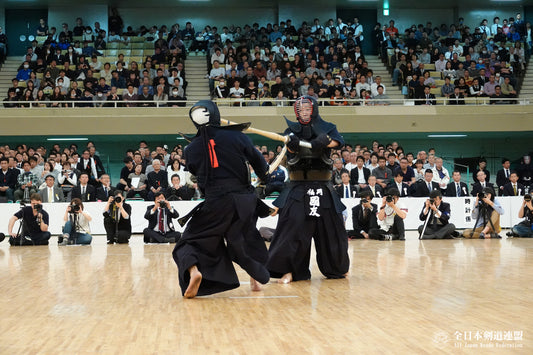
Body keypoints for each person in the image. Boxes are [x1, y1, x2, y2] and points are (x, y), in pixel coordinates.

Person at [172, 100, 271, 298]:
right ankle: (256, 279)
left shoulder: (190, 149)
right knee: (243, 240)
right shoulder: (237, 136)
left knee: (190, 241)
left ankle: (194, 271)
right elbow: (259, 164)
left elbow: (196, 172)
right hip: (245, 201)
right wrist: (265, 176)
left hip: (216, 202)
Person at [267, 96, 350, 283]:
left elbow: (338, 142)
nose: (304, 112)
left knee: (333, 230)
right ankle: (289, 270)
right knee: (291, 228)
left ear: (314, 110)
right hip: (298, 187)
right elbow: (291, 151)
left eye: (307, 109)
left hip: (324, 187)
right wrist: (294, 146)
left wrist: (325, 142)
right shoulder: (291, 131)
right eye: (301, 109)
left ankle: (337, 267)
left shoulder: (328, 128)